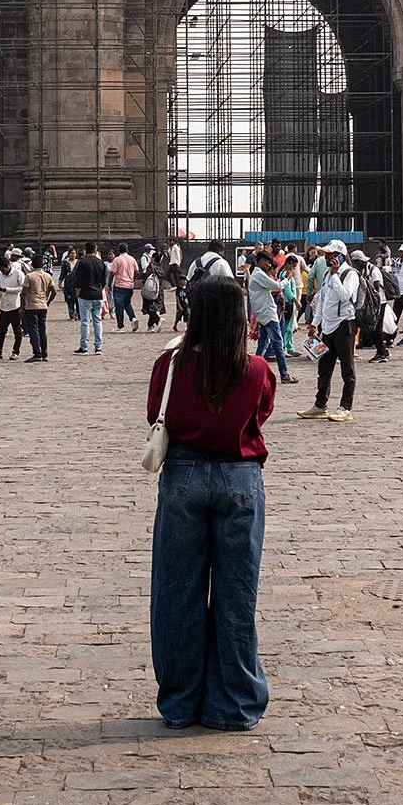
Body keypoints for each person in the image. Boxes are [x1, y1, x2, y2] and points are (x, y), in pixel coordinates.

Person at [146, 274, 274, 732]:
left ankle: (180, 703)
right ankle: (234, 705)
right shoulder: (258, 369)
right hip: (240, 480)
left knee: (176, 593)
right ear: (241, 318)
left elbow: (155, 415)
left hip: (183, 478)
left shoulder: (170, 366)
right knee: (236, 594)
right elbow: (260, 414)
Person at [298, 240, 358, 422]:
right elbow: (322, 301)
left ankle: (345, 407)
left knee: (347, 370)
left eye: (330, 255)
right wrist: (315, 324)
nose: (326, 258)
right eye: (325, 255)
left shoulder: (350, 274)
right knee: (324, 368)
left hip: (344, 325)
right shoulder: (325, 274)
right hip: (328, 327)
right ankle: (320, 405)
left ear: (339, 256)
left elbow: (346, 296)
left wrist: (334, 275)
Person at [247, 248, 290, 385]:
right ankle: (284, 374)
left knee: (262, 345)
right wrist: (288, 278)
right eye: (268, 263)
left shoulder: (257, 274)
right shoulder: (259, 274)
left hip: (263, 313)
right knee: (278, 343)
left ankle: (254, 373)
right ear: (262, 261)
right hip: (267, 313)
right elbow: (276, 285)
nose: (269, 266)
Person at [73, 242, 108, 354]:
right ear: (95, 249)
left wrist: (78, 292)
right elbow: (104, 281)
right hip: (98, 294)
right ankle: (98, 347)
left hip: (85, 294)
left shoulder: (82, 262)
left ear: (85, 250)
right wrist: (99, 289)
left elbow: (78, 279)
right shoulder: (101, 263)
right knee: (97, 321)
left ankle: (84, 346)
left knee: (85, 321)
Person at [20, 258, 56, 362]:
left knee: (33, 330)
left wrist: (22, 306)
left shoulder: (29, 276)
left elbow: (24, 293)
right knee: (42, 330)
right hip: (43, 305)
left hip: (31, 305)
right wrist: (48, 302)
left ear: (32, 266)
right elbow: (54, 292)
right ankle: (44, 353)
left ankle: (37, 353)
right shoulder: (47, 276)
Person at [110, 244, 141, 333]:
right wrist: (132, 280)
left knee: (119, 306)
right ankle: (132, 318)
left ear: (119, 250)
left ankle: (120, 326)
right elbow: (137, 272)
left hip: (119, 285)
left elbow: (112, 273)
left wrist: (108, 285)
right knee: (127, 303)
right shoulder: (132, 259)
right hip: (129, 285)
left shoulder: (117, 260)